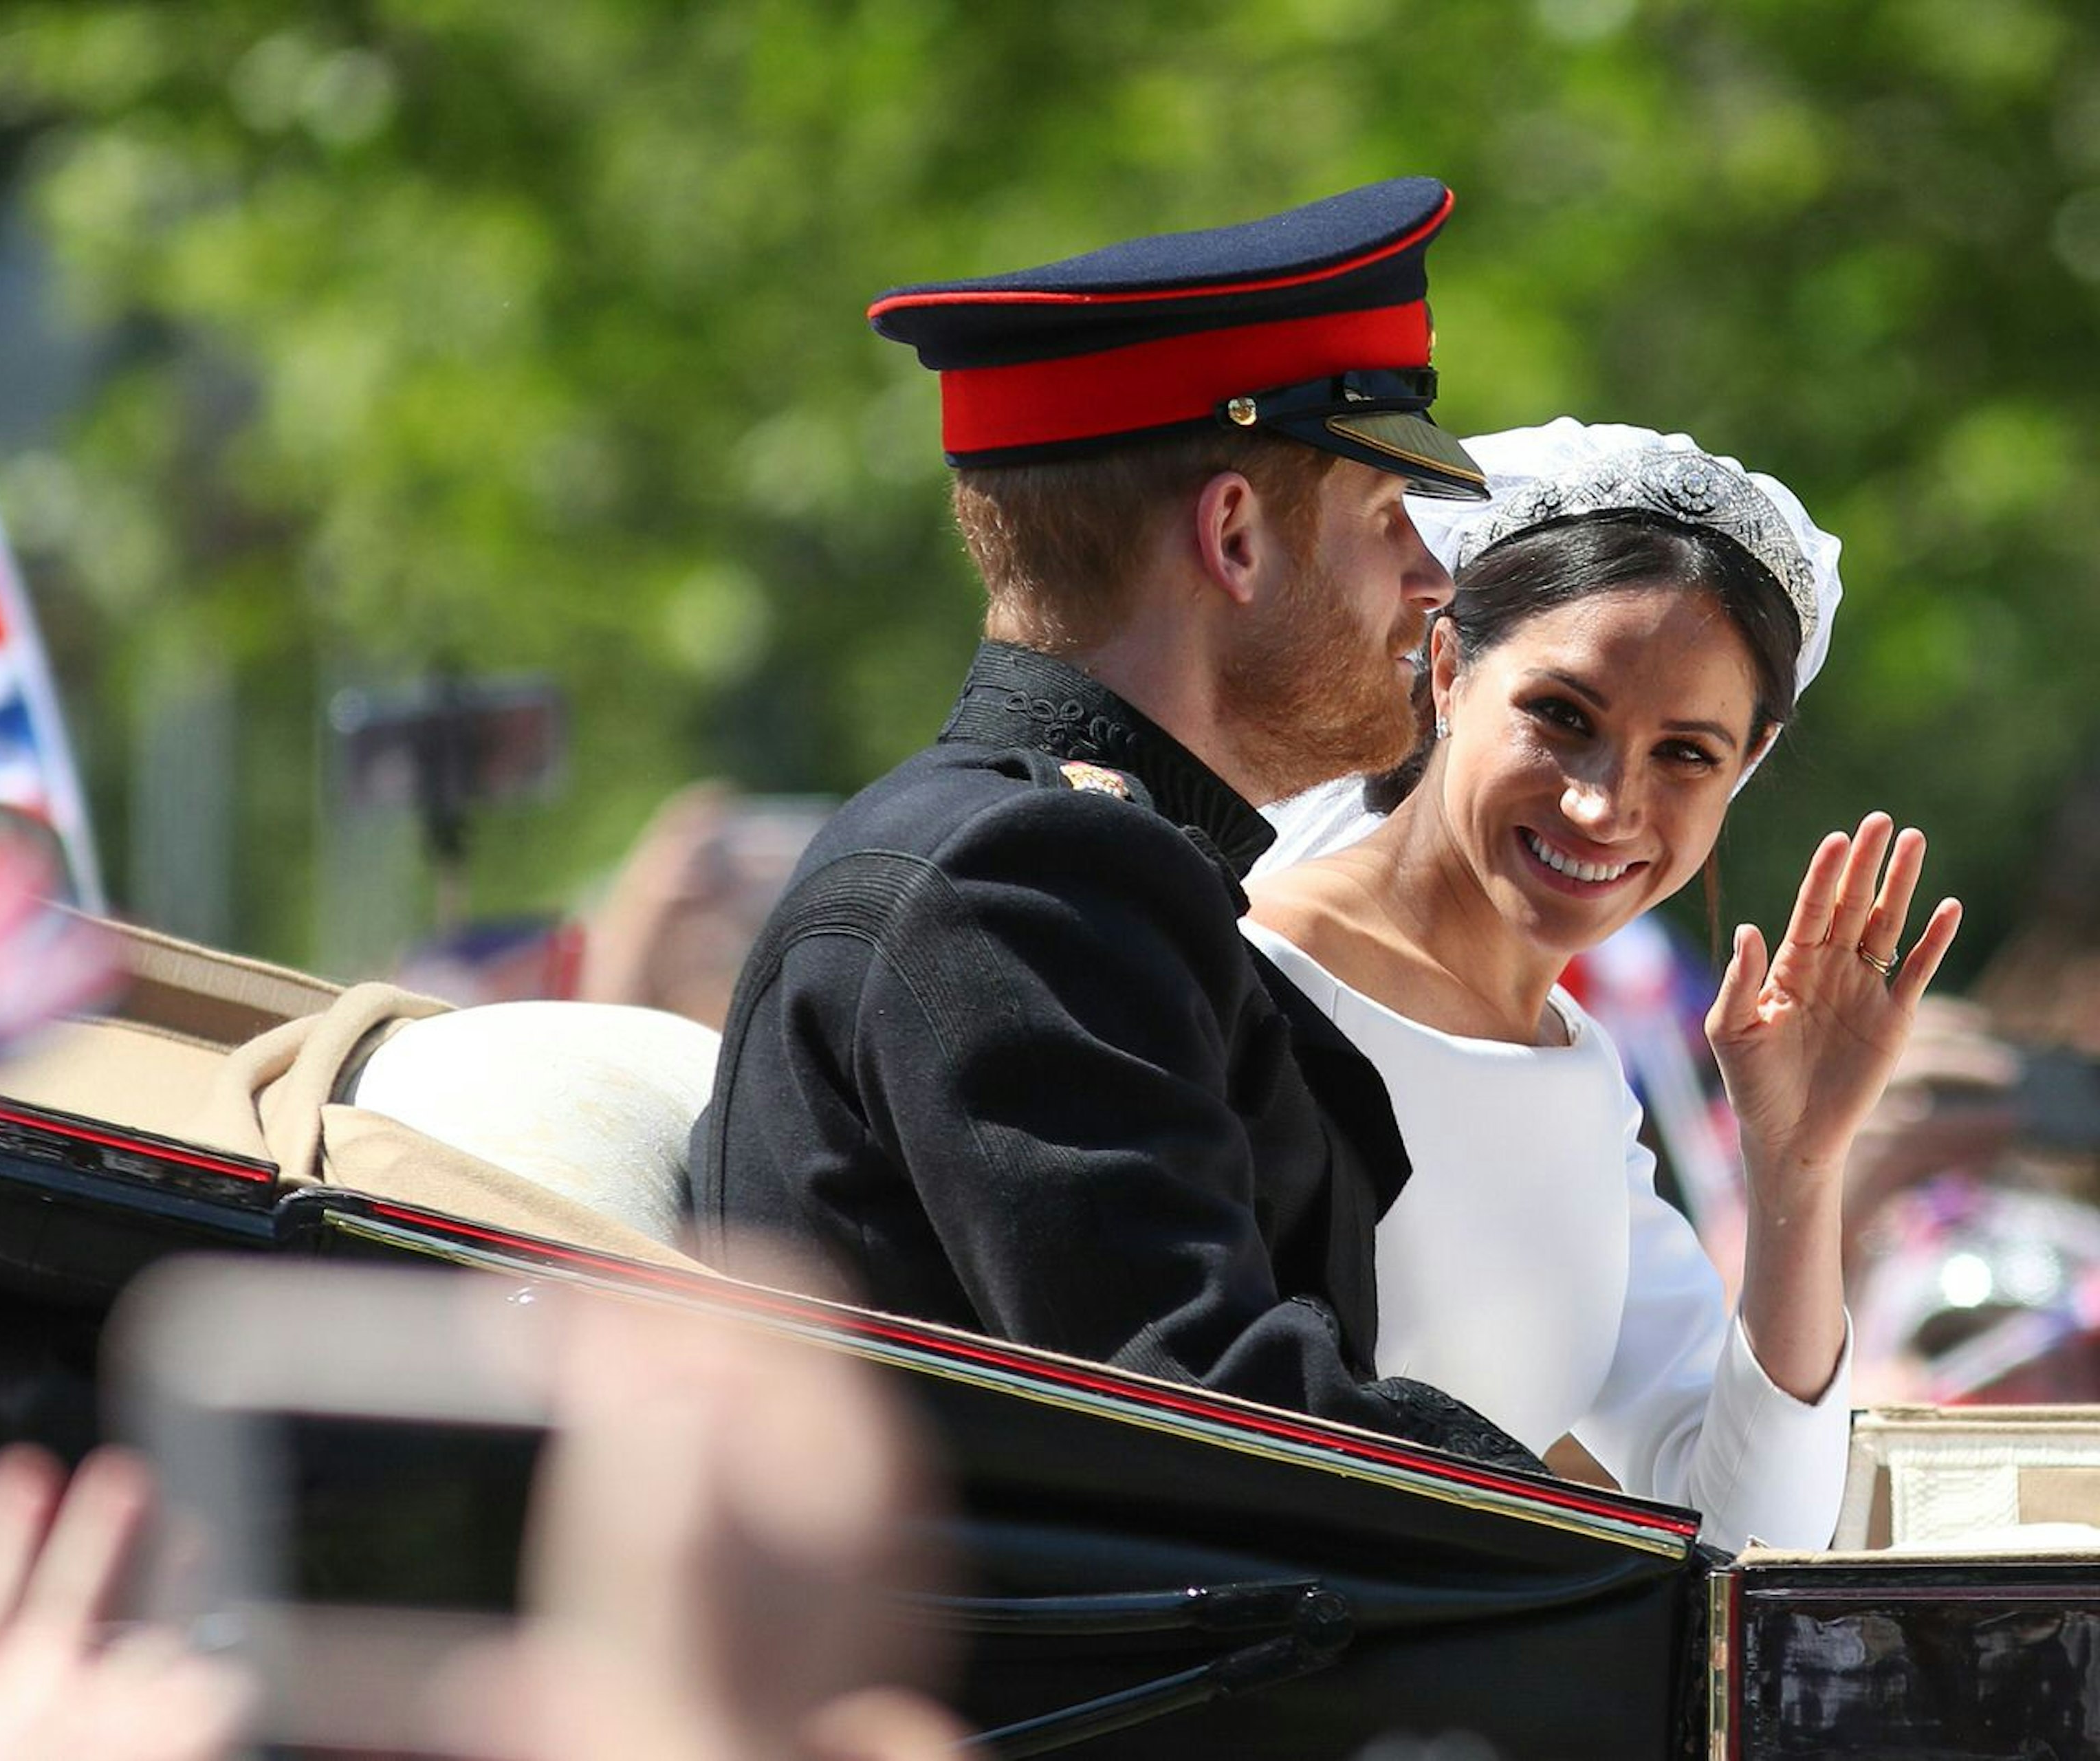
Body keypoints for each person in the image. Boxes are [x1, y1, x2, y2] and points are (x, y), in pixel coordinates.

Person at [690, 177, 1532, 1456]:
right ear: (1234, 540)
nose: (1430, 582)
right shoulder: (1021, 884)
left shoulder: (1048, 856)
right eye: (1383, 520)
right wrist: (1633, 1553)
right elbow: (1214, 1419)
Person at [1243, 419, 1961, 1547]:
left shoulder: (1579, 1075)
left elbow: (1748, 1530)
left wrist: (1798, 1169)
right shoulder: (1247, 978)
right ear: (1444, 668)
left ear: (1745, 770)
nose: (1602, 805)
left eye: (1686, 754)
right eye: (1561, 717)